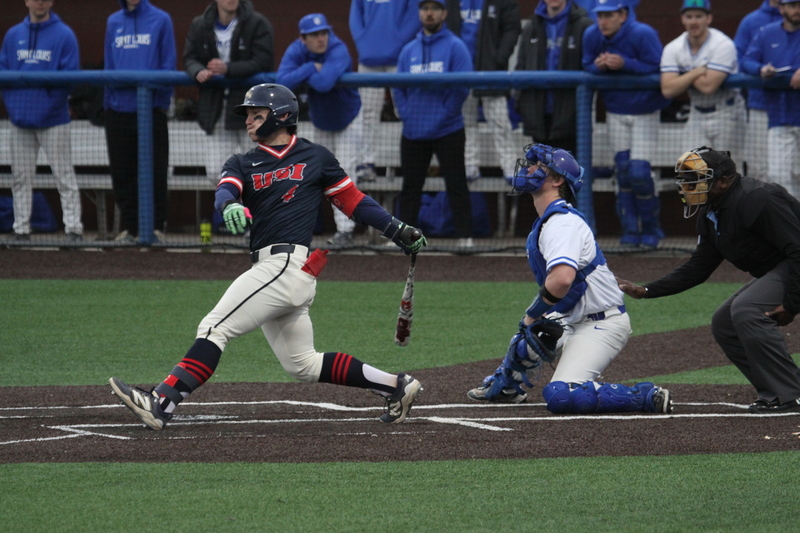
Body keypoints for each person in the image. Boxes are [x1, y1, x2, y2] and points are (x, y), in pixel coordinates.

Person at [109, 83, 428, 429]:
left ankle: (162, 402)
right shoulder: (243, 162)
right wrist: (229, 204)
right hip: (276, 269)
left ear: (281, 117)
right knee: (302, 364)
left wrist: (397, 229)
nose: (248, 121)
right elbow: (226, 189)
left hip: (288, 266)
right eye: (247, 115)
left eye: (256, 115)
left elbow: (354, 201)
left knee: (214, 327)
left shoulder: (316, 157)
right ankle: (396, 386)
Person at [466, 143, 672, 414]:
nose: (529, 168)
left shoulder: (562, 223)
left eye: (538, 166)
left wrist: (532, 315)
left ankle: (645, 396)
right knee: (524, 343)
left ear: (558, 180)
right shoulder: (550, 221)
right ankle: (506, 388)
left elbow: (562, 280)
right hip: (572, 316)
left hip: (601, 324)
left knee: (561, 396)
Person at [618, 147, 800, 414]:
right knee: (724, 322)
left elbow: (797, 248)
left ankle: (792, 394)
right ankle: (773, 391)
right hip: (785, 266)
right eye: (684, 179)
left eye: (694, 179)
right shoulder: (711, 211)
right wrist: (646, 290)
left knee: (746, 309)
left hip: (795, 262)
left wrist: (793, 302)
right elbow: (699, 267)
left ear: (723, 181)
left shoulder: (757, 198)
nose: (686, 186)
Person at [582, 0, 670, 248]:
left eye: (608, 15)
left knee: (639, 173)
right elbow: (586, 64)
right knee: (622, 171)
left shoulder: (642, 33)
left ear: (623, 14)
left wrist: (625, 63)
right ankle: (630, 230)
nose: (602, 22)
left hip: (645, 111)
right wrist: (598, 67)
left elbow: (660, 68)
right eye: (600, 16)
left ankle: (651, 229)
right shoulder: (592, 34)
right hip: (615, 112)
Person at [276, 13, 363, 248]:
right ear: (303, 38)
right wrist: (310, 67)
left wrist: (303, 75)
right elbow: (281, 81)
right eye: (314, 35)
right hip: (321, 121)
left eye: (323, 32)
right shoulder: (297, 50)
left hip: (348, 118)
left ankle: (346, 231)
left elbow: (324, 84)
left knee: (344, 174)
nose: (321, 38)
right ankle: (306, 229)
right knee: (318, 175)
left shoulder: (338, 48)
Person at [0, 0, 82, 242]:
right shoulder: (13, 35)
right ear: (26, 1)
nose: (40, 2)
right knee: (21, 178)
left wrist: (46, 107)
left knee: (64, 175)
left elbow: (68, 80)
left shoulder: (64, 35)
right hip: (20, 121)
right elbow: (4, 75)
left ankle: (74, 230)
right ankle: (21, 229)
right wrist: (17, 107)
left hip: (54, 120)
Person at [394, 0, 474, 247]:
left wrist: (441, 117)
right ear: (419, 13)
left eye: (434, 9)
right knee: (410, 187)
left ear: (444, 13)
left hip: (448, 129)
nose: (429, 13)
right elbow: (399, 88)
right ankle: (404, 237)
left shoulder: (456, 47)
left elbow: (461, 89)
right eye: (425, 8)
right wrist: (407, 114)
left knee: (456, 184)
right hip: (414, 130)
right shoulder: (408, 50)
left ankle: (465, 236)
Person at [104, 0, 176, 244]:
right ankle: (130, 229)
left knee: (155, 170)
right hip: (118, 111)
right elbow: (109, 66)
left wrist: (160, 104)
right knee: (122, 173)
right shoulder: (113, 21)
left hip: (151, 110)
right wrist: (108, 104)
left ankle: (156, 228)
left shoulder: (161, 19)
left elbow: (168, 64)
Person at [183, 0, 274, 187]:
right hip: (215, 108)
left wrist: (228, 68)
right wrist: (198, 70)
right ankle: (237, 212)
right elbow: (190, 57)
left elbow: (263, 61)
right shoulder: (200, 24)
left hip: (251, 107)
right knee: (217, 171)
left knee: (259, 170)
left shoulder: (257, 23)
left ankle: (256, 214)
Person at [660, 0, 746, 166]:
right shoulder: (674, 47)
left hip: (727, 112)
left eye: (699, 16)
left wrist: (683, 75)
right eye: (689, 16)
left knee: (728, 173)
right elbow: (667, 89)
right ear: (682, 19)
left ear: (709, 18)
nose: (694, 21)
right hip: (696, 113)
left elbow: (709, 87)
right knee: (692, 168)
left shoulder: (722, 44)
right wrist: (698, 71)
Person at [445, 0, 521, 181]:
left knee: (499, 120)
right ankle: (470, 164)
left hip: (490, 69)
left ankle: (510, 166)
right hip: (461, 69)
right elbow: (447, 29)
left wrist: (499, 57)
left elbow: (512, 28)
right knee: (466, 121)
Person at [349, 0, 421, 182]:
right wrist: (364, 42)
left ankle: (412, 162)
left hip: (399, 57)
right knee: (368, 112)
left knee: (404, 109)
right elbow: (355, 18)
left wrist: (398, 41)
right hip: (368, 58)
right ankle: (367, 163)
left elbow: (414, 15)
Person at [514, 0, 592, 154]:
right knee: (545, 173)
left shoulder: (584, 25)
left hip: (571, 115)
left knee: (568, 172)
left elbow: (590, 67)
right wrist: (520, 103)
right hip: (538, 115)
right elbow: (521, 66)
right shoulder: (531, 26)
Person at [741, 0, 800, 199]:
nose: (796, 10)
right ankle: (792, 226)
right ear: (781, 8)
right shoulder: (766, 31)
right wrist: (760, 69)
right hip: (778, 115)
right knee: (778, 176)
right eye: (791, 5)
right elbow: (746, 61)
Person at [734, 0, 781, 181]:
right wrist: (759, 69)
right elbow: (739, 59)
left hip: (794, 107)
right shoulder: (751, 21)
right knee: (758, 169)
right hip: (760, 106)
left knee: (792, 169)